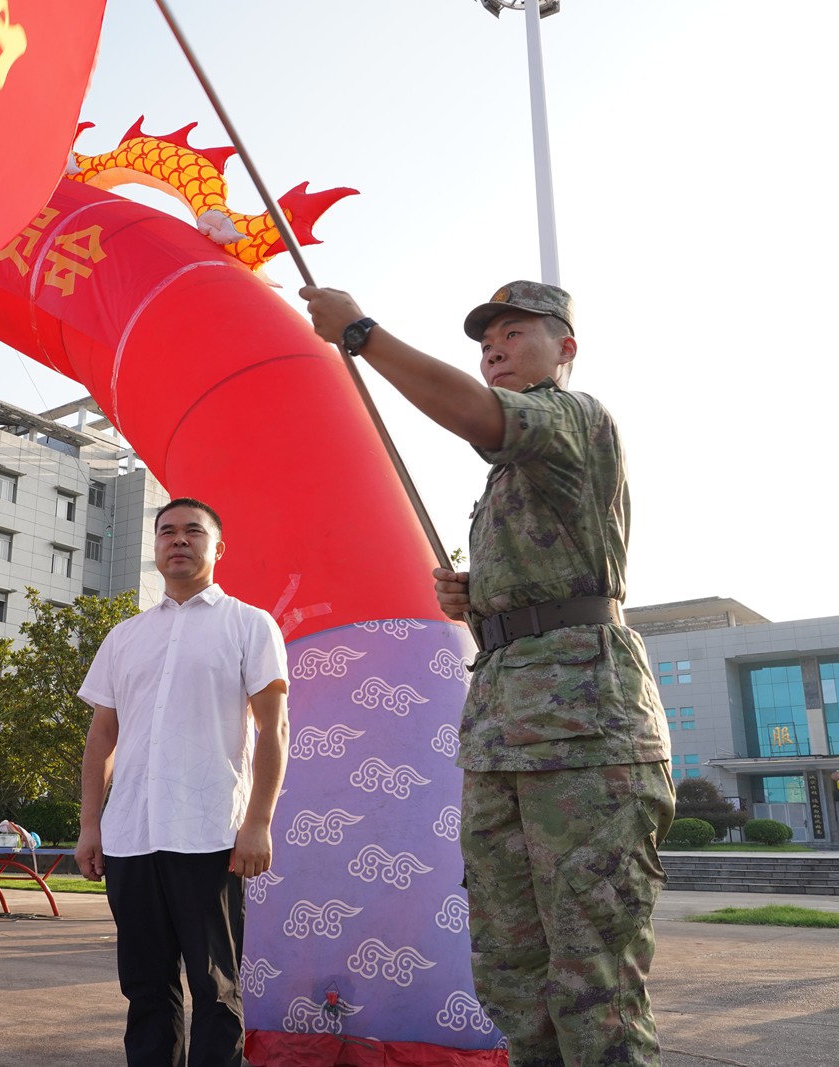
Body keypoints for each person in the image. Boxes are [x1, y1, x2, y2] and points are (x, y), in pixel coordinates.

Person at [300, 280, 674, 1066]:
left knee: (594, 980)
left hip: (584, 733)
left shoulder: (571, 415)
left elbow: (478, 414)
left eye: (514, 333)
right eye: (485, 340)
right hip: (506, 730)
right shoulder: (511, 473)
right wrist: (486, 599)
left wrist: (362, 333)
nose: (495, 349)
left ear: (565, 347)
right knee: (511, 970)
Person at [76, 496, 290, 1067]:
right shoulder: (125, 636)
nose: (178, 540)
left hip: (210, 833)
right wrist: (91, 825)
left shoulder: (249, 624)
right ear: (154, 546)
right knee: (145, 988)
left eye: (193, 531)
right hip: (131, 836)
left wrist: (258, 823)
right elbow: (102, 738)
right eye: (167, 531)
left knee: (215, 988)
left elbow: (274, 729)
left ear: (218, 548)